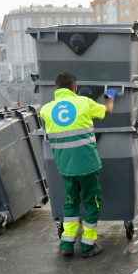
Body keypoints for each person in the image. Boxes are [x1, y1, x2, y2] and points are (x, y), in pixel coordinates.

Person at [39, 72, 115, 258]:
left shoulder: (45, 110)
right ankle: (88, 245)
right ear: (75, 87)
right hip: (87, 164)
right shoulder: (83, 102)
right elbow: (108, 111)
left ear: (56, 88)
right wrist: (111, 97)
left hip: (65, 166)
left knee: (71, 202)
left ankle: (67, 243)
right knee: (92, 202)